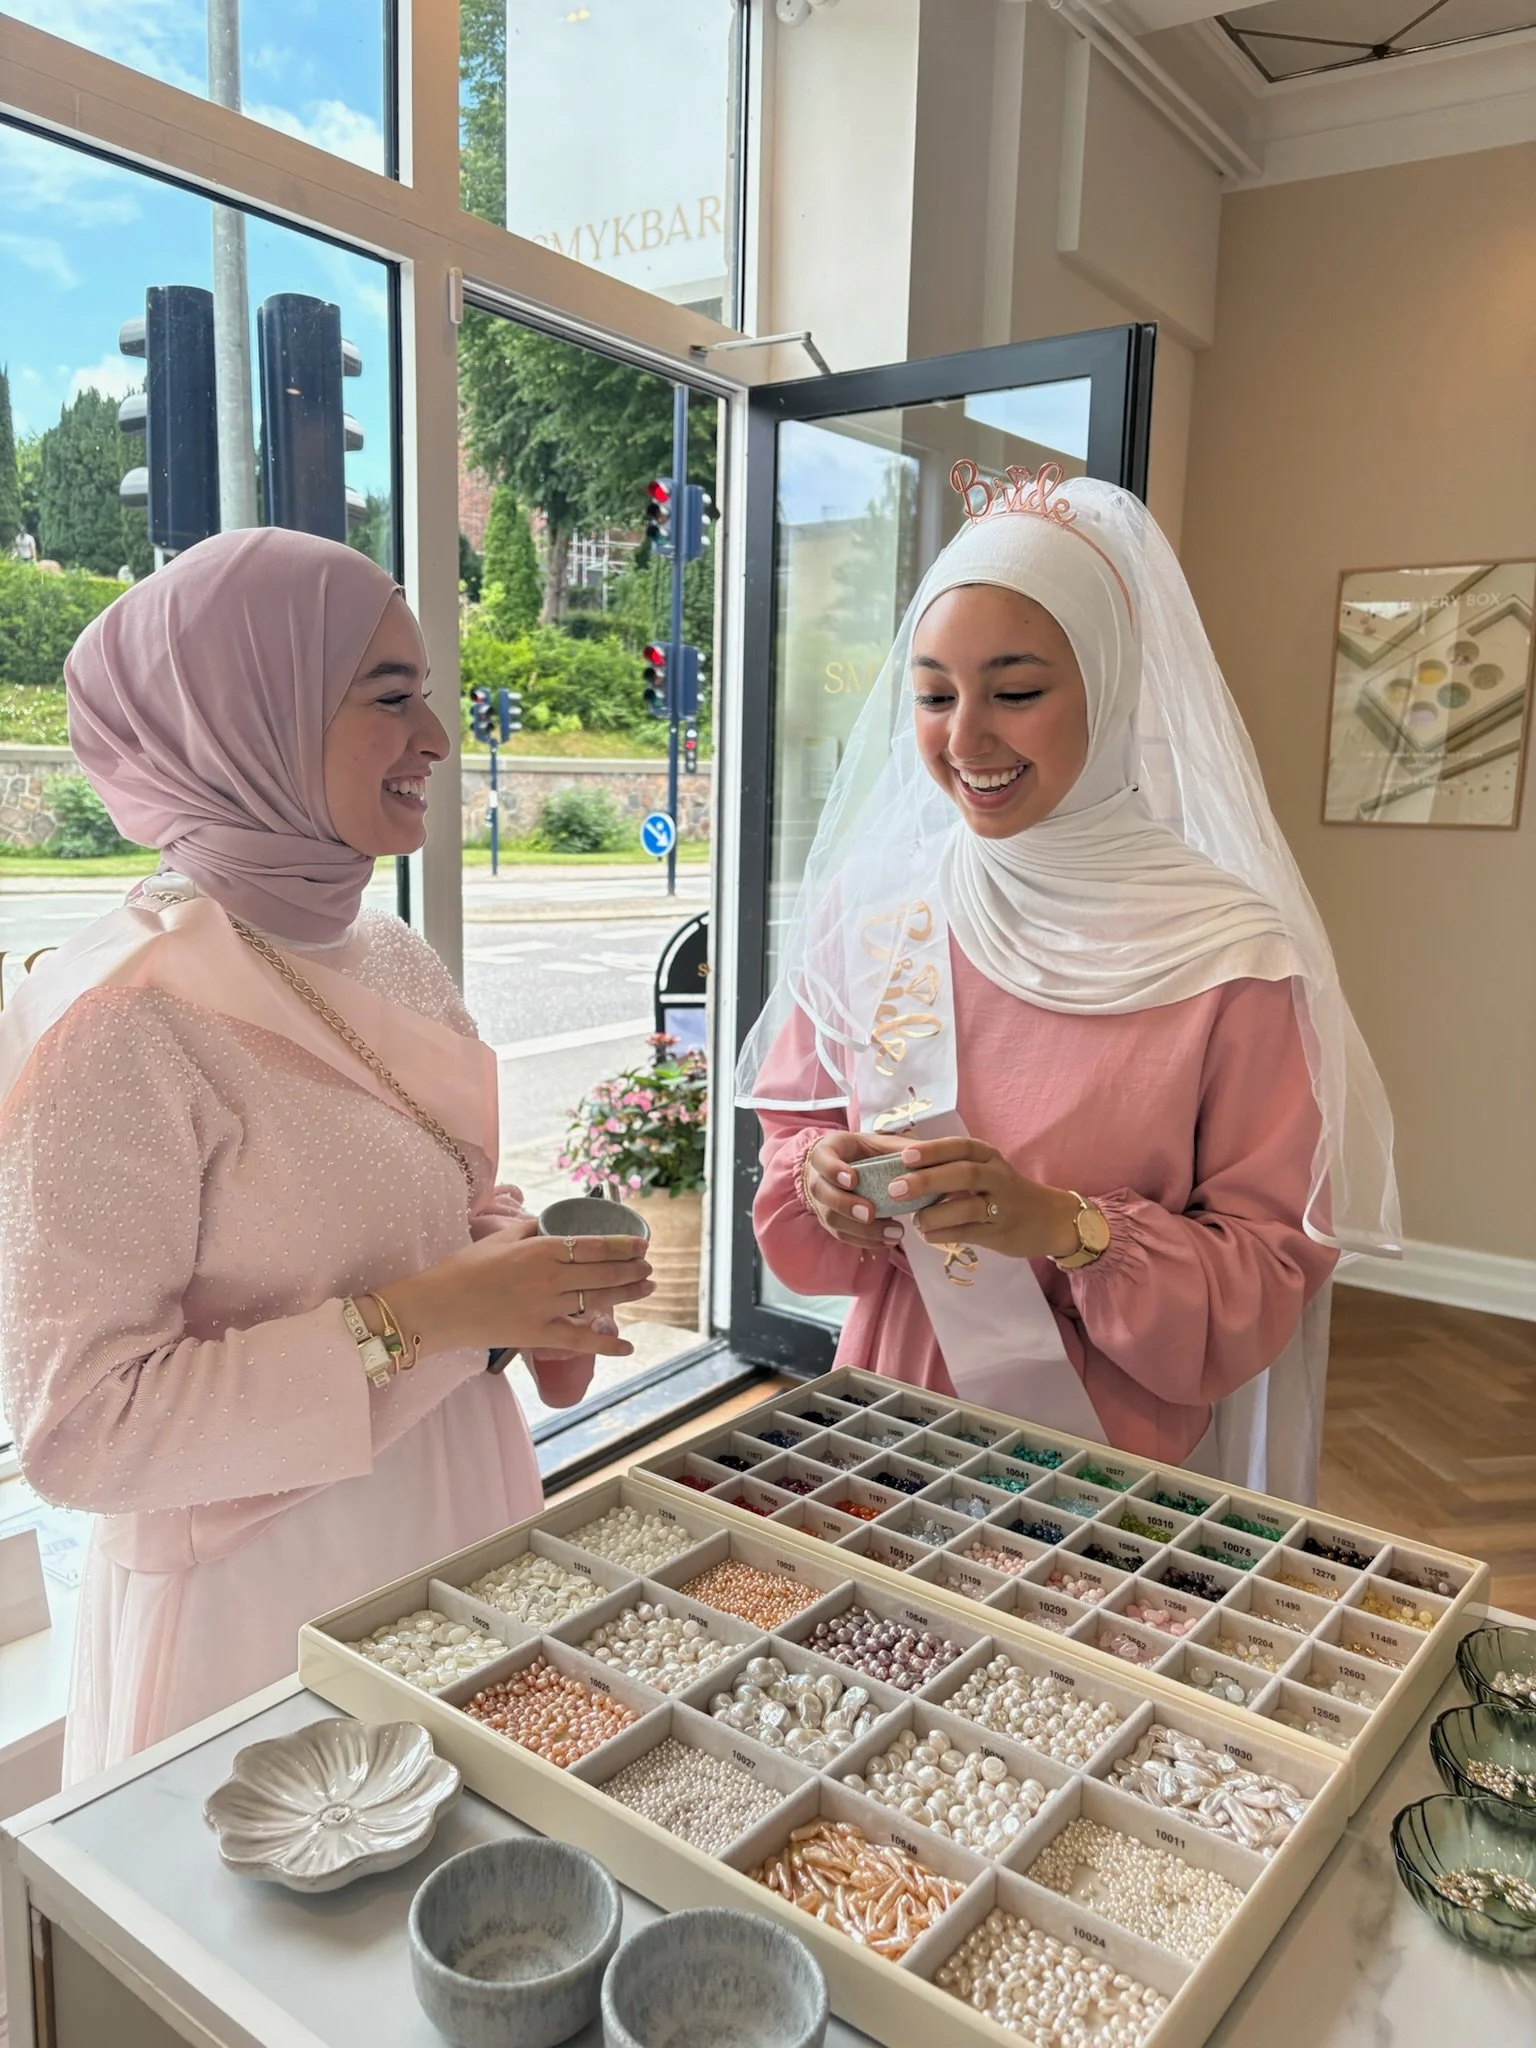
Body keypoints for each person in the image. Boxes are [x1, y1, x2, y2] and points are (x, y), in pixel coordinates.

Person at [0, 527, 652, 1782]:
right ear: (250, 716)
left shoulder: (387, 952)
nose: (438, 737)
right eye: (391, 696)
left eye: (430, 694)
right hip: (266, 1598)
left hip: (457, 1506)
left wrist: (526, 1274)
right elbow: (79, 1428)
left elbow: (446, 1198)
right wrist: (429, 1316)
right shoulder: (120, 1024)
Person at [742, 465, 1399, 1503]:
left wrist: (1064, 1226)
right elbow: (799, 1136)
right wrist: (820, 1178)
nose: (965, 740)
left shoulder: (1226, 956)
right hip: (891, 1415)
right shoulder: (874, 911)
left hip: (1107, 1455)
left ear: (1113, 688)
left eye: (1016, 693)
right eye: (933, 695)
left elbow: (1267, 1267)